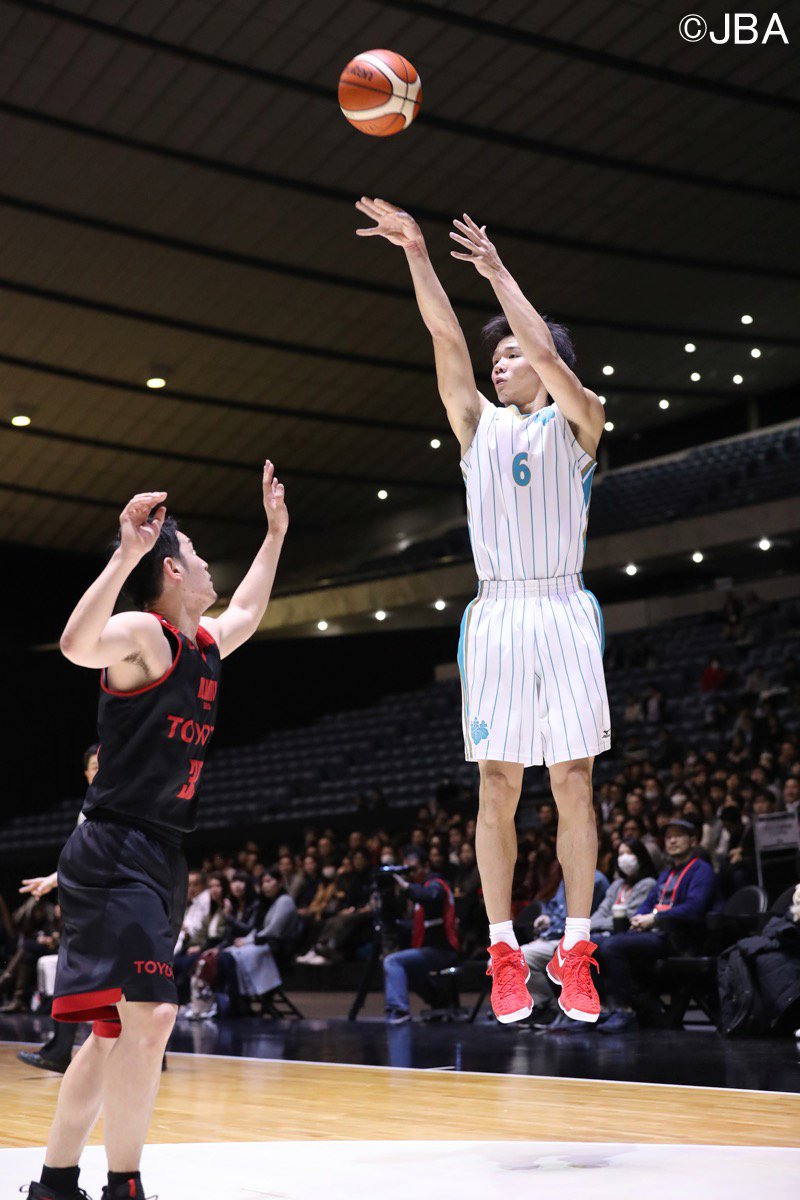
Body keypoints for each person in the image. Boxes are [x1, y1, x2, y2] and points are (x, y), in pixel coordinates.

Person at [356, 197, 610, 1024]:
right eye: (495, 356)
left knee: (573, 781)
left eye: (512, 355)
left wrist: (498, 272)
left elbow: (537, 342)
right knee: (497, 786)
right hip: (498, 613)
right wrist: (419, 255)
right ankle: (503, 950)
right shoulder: (477, 426)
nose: (499, 363)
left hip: (563, 605)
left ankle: (576, 949)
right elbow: (443, 340)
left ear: (546, 365)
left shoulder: (581, 419)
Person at [24, 463, 288, 1200]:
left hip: (160, 851)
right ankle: (126, 1185)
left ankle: (53, 1182)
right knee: (154, 1014)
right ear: (172, 569)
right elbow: (78, 645)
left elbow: (249, 613)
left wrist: (276, 535)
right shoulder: (146, 633)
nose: (213, 570)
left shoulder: (202, 644)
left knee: (114, 1032)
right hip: (114, 846)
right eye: (202, 558)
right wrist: (122, 556)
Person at [17, 745, 99, 1074]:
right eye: (95, 765)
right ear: (86, 773)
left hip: (113, 904)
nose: (101, 770)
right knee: (80, 974)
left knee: (79, 973)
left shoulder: (117, 803)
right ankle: (60, 1049)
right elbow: (82, 858)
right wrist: (53, 881)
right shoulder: (90, 809)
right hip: (98, 904)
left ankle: (60, 1050)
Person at [595, 818, 719, 1032]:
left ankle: (627, 1010)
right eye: (669, 837)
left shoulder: (701, 870)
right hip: (655, 935)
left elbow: (694, 908)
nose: (672, 841)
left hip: (680, 939)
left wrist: (655, 918)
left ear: (693, 840)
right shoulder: (667, 873)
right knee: (593, 944)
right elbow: (648, 904)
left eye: (678, 836)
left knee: (612, 947)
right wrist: (639, 918)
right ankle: (599, 1009)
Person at [383, 849, 460, 1024]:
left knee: (393, 962)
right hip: (432, 950)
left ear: (426, 867)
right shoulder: (421, 889)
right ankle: (439, 1001)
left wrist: (405, 886)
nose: (410, 875)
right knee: (403, 969)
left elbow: (430, 897)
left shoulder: (436, 884)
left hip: (443, 950)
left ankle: (399, 1010)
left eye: (414, 869)